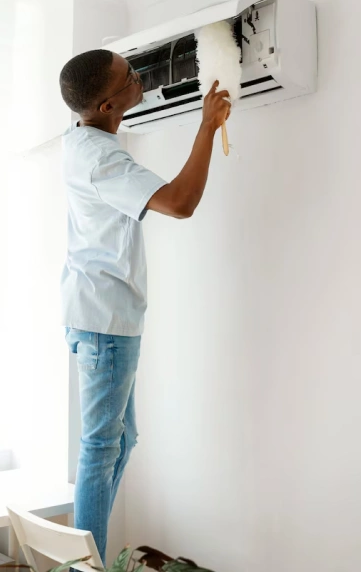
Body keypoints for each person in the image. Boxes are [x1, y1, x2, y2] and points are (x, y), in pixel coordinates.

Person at [58, 48, 231, 563]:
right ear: (109, 105)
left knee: (122, 440)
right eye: (131, 77)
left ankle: (86, 548)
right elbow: (180, 202)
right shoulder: (102, 158)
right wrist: (206, 128)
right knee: (100, 449)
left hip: (98, 314)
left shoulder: (84, 137)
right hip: (105, 323)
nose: (140, 77)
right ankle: (86, 564)